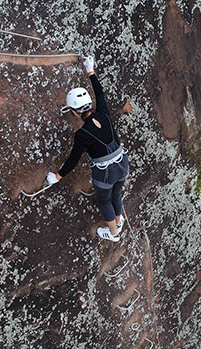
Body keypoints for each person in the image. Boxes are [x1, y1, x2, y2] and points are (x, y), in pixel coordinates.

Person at [47, 55, 129, 243]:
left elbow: (73, 159)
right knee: (116, 194)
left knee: (105, 200)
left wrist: (57, 177)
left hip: (105, 173)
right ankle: (118, 220)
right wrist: (90, 70)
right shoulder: (104, 113)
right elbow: (99, 93)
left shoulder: (82, 134)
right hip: (122, 163)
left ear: (75, 112)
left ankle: (114, 233)